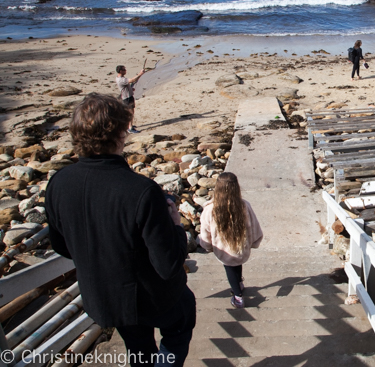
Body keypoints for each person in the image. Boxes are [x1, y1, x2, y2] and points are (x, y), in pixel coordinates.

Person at [45, 93, 195, 367]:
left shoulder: (58, 183)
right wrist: (175, 225)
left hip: (104, 298)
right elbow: (168, 265)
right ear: (120, 135)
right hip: (152, 300)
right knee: (182, 319)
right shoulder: (141, 190)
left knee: (138, 349)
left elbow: (61, 247)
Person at [199, 173, 263, 309]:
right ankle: (239, 283)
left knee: (229, 268)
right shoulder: (244, 205)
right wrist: (254, 241)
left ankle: (238, 296)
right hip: (241, 246)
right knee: (237, 263)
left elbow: (205, 232)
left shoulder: (210, 209)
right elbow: (254, 225)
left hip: (223, 249)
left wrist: (208, 246)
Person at [116, 64, 145, 134]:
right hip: (127, 98)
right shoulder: (121, 79)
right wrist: (140, 73)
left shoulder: (119, 78)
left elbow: (126, 86)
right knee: (130, 113)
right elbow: (132, 80)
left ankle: (128, 125)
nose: (126, 70)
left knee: (129, 112)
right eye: (124, 69)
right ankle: (130, 128)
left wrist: (130, 89)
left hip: (126, 97)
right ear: (120, 71)